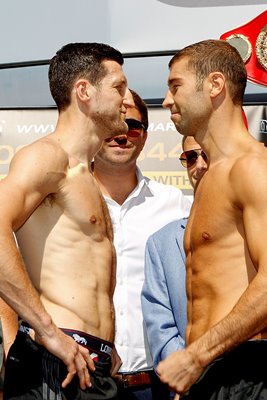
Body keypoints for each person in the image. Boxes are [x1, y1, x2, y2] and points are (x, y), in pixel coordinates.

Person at [2, 42, 132, 400]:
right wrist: (48, 332)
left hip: (92, 363)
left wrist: (107, 344)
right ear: (84, 91)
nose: (127, 98)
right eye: (118, 87)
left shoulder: (86, 175)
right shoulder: (47, 157)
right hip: (53, 364)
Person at [157, 39, 267, 399]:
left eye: (176, 86)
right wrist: (195, 365)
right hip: (208, 372)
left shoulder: (252, 168)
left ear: (215, 85)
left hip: (245, 371)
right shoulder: (211, 177)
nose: (167, 100)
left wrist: (196, 357)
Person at [93, 89, 192, 400]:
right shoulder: (61, 201)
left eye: (133, 126)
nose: (122, 135)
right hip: (85, 380)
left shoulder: (175, 203)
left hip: (158, 385)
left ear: (145, 137)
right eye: (113, 126)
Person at [141, 135, 207, 388]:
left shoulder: (255, 227)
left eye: (206, 154)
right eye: (190, 158)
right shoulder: (162, 242)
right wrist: (191, 372)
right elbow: (161, 327)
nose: (199, 165)